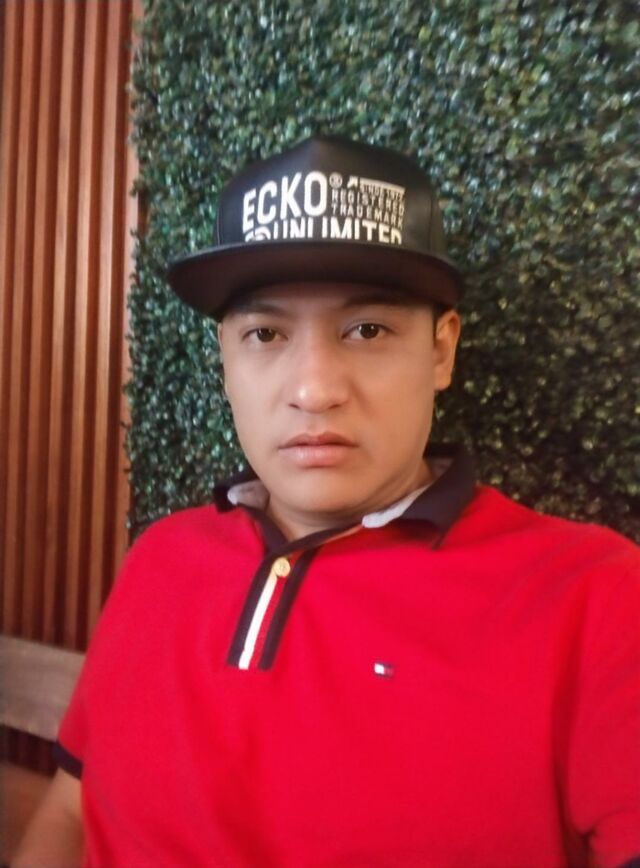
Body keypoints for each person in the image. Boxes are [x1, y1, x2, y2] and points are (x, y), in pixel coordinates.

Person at [14, 135, 640, 868]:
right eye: (265, 333)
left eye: (367, 330)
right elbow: (71, 808)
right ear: (225, 362)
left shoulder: (594, 595)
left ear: (441, 350)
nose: (314, 390)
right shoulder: (161, 558)